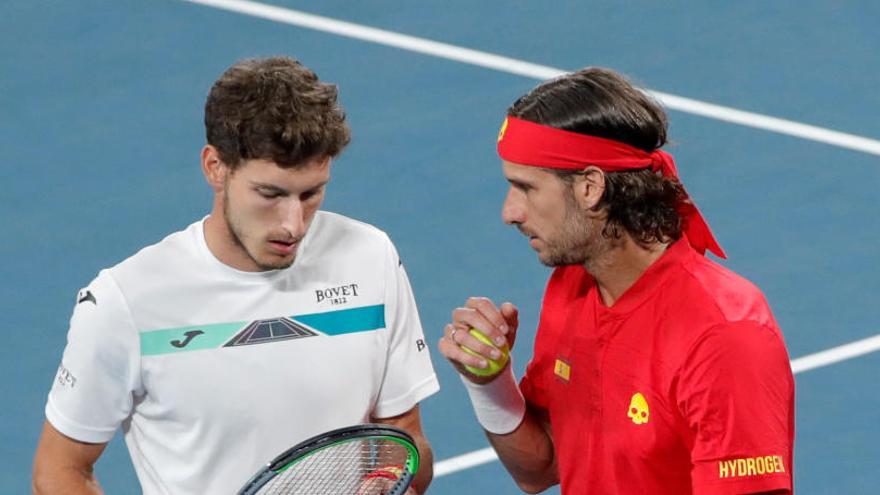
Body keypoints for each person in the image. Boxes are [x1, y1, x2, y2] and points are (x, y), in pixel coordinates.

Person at [33, 56, 439, 494]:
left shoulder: (371, 257)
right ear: (215, 167)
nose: (293, 224)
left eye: (311, 194)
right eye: (270, 194)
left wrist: (384, 480)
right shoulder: (126, 302)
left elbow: (405, 438)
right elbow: (60, 471)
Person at [439, 67, 794, 494]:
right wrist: (489, 383)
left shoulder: (723, 335)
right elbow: (541, 467)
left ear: (590, 187)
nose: (510, 212)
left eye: (525, 187)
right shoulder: (571, 284)